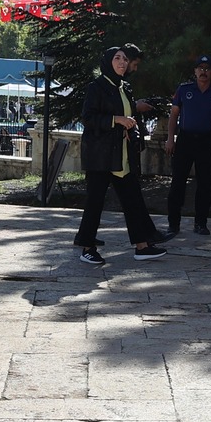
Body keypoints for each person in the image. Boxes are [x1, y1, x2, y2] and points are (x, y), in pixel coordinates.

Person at [74, 44, 167, 264]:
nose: (122, 63)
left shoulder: (125, 87)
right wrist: (116, 120)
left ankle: (142, 246)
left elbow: (127, 113)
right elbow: (88, 118)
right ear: (108, 62)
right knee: (95, 201)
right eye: (117, 58)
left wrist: (129, 125)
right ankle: (87, 247)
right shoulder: (96, 87)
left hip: (122, 155)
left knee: (132, 199)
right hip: (101, 156)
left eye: (125, 59)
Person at [164, 54, 211, 236]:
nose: (203, 72)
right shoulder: (184, 90)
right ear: (195, 71)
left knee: (205, 184)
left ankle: (201, 223)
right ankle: (173, 224)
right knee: (177, 182)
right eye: (200, 68)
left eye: (207, 69)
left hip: (207, 141)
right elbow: (174, 115)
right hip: (185, 140)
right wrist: (170, 138)